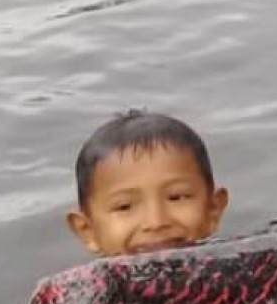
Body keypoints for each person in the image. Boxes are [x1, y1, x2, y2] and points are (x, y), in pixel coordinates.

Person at [66, 109, 229, 258]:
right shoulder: (81, 290)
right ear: (87, 231)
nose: (156, 222)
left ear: (213, 209)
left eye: (176, 197)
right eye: (124, 206)